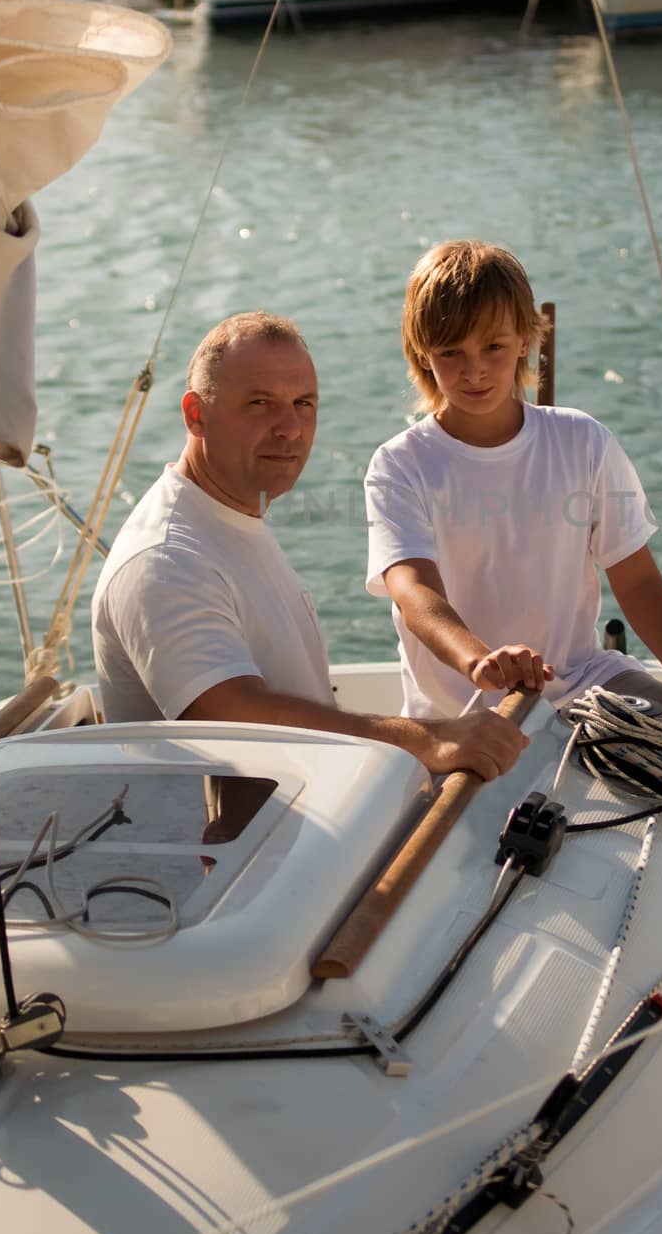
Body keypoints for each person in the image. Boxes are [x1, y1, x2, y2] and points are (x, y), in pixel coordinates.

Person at [92, 312, 528, 841]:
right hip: (215, 887)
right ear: (195, 414)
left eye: (304, 404)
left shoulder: (228, 515)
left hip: (296, 837)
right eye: (260, 404)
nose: (290, 428)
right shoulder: (165, 559)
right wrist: (427, 740)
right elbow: (234, 718)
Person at [364, 243, 662, 769]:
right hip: (464, 711)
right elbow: (413, 592)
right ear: (421, 352)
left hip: (586, 683)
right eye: (450, 352)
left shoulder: (584, 441)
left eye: (494, 348)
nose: (474, 370)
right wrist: (479, 660)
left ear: (526, 339)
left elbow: (635, 576)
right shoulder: (400, 464)